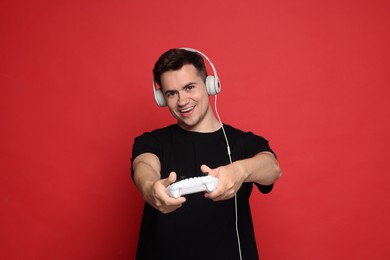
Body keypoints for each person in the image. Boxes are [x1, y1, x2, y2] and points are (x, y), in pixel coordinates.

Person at [131, 48, 281, 260]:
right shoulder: (152, 141)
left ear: (210, 85)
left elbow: (273, 169)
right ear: (162, 99)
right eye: (171, 93)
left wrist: (239, 170)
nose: (182, 101)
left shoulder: (241, 142)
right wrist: (150, 188)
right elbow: (144, 167)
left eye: (189, 87)